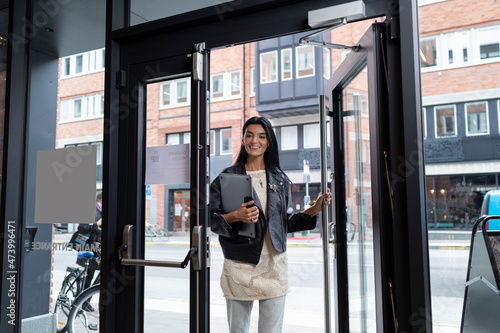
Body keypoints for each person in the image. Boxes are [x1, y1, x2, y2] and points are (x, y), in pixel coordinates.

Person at [210, 116, 331, 333]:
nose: (254, 140)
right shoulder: (227, 177)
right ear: (243, 139)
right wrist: (235, 216)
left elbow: (280, 223)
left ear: (269, 142)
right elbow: (209, 218)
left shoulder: (279, 178)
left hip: (273, 266)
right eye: (249, 135)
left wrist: (315, 209)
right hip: (240, 265)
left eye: (261, 136)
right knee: (238, 330)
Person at [75, 191, 102, 290]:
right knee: (88, 277)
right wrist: (96, 224)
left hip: (99, 250)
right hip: (89, 248)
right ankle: (82, 303)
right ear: (99, 199)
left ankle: (86, 302)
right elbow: (81, 227)